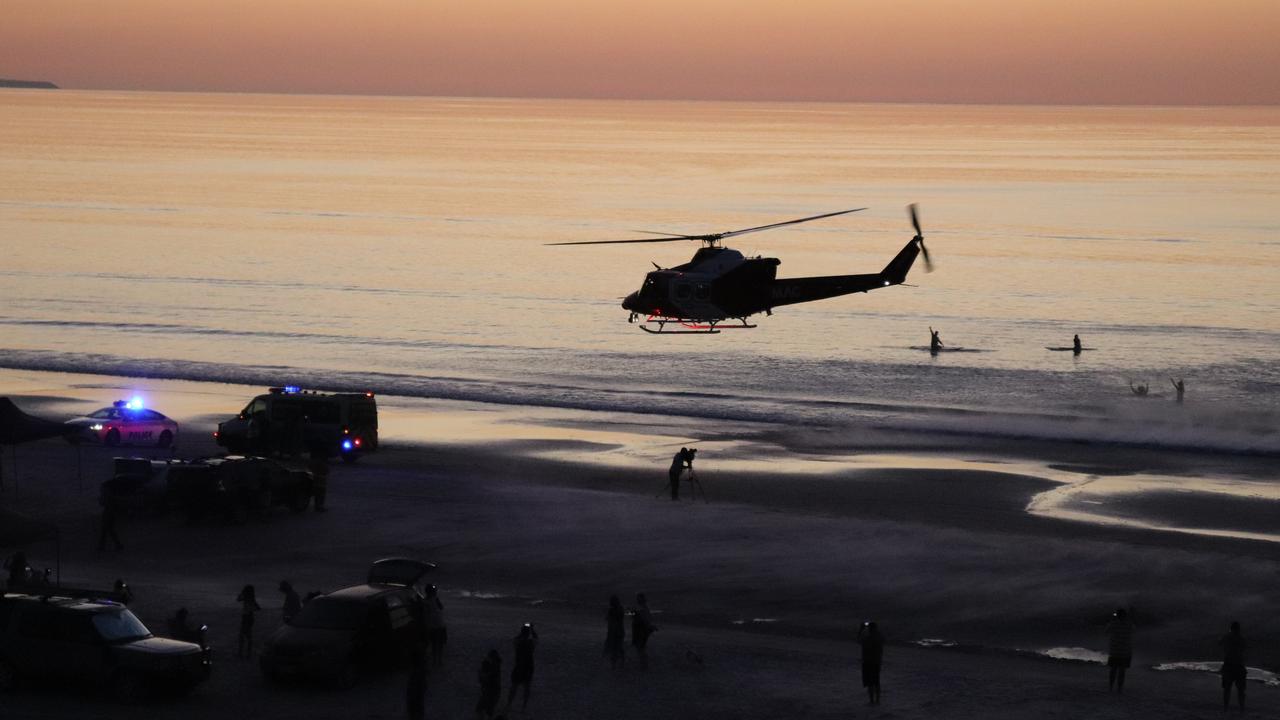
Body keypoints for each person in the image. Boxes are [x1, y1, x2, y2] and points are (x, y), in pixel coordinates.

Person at [506, 623, 538, 712]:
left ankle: (509, 704)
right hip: (528, 667)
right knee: (526, 688)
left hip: (519, 666)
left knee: (514, 687)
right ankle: (524, 706)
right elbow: (536, 638)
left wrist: (523, 632)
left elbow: (516, 639)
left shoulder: (518, 642)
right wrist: (532, 629)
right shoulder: (531, 643)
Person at [1105, 608, 1133, 692]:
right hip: (1125, 651)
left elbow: (1106, 631)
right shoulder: (1129, 624)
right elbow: (1134, 630)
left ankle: (1110, 687)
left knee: (1113, 670)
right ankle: (1119, 688)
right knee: (1122, 671)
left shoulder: (1112, 624)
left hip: (1114, 651)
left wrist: (1112, 620)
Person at [1220, 621, 1246, 712]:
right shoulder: (1242, 638)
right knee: (1241, 690)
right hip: (1239, 665)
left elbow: (1220, 644)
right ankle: (1242, 708)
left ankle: (1225, 708)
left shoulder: (1226, 637)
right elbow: (1244, 649)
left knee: (1227, 689)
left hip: (1229, 665)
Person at [857, 621, 884, 706]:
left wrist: (861, 629)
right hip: (876, 661)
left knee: (870, 682)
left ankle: (872, 700)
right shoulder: (878, 637)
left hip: (868, 661)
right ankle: (877, 700)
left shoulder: (867, 638)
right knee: (876, 682)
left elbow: (859, 640)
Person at [423, 584, 447, 667]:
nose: (435, 592)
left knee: (437, 644)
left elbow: (441, 607)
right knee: (436, 644)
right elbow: (440, 608)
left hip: (438, 625)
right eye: (434, 591)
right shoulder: (426, 601)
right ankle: (436, 660)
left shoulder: (432, 600)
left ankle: (437, 660)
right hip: (435, 626)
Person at [236, 584, 262, 658]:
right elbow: (257, 608)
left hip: (246, 617)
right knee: (247, 636)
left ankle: (243, 653)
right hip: (249, 617)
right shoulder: (250, 598)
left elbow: (238, 599)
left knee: (243, 636)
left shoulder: (247, 598)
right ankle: (247, 653)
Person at [631, 593, 656, 670]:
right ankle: (644, 665)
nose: (637, 600)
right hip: (642, 630)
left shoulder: (643, 609)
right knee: (641, 648)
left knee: (641, 648)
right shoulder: (644, 608)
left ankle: (644, 665)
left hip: (641, 631)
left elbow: (645, 620)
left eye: (638, 598)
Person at [98, 481, 124, 552]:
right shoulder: (110, 494)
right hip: (110, 514)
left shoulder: (108, 495)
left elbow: (103, 503)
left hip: (108, 514)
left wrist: (101, 499)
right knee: (109, 530)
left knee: (105, 530)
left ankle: (102, 546)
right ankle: (117, 544)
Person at [476, 649, 502, 720]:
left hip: (490, 692)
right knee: (488, 710)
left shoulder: (493, 667)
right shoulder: (495, 666)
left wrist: (481, 674)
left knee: (481, 709)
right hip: (492, 691)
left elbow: (485, 679)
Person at [605, 594, 626, 668]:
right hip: (619, 631)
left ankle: (615, 663)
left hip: (615, 632)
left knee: (615, 648)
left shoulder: (612, 610)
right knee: (618, 648)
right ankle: (620, 661)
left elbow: (608, 619)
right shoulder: (620, 609)